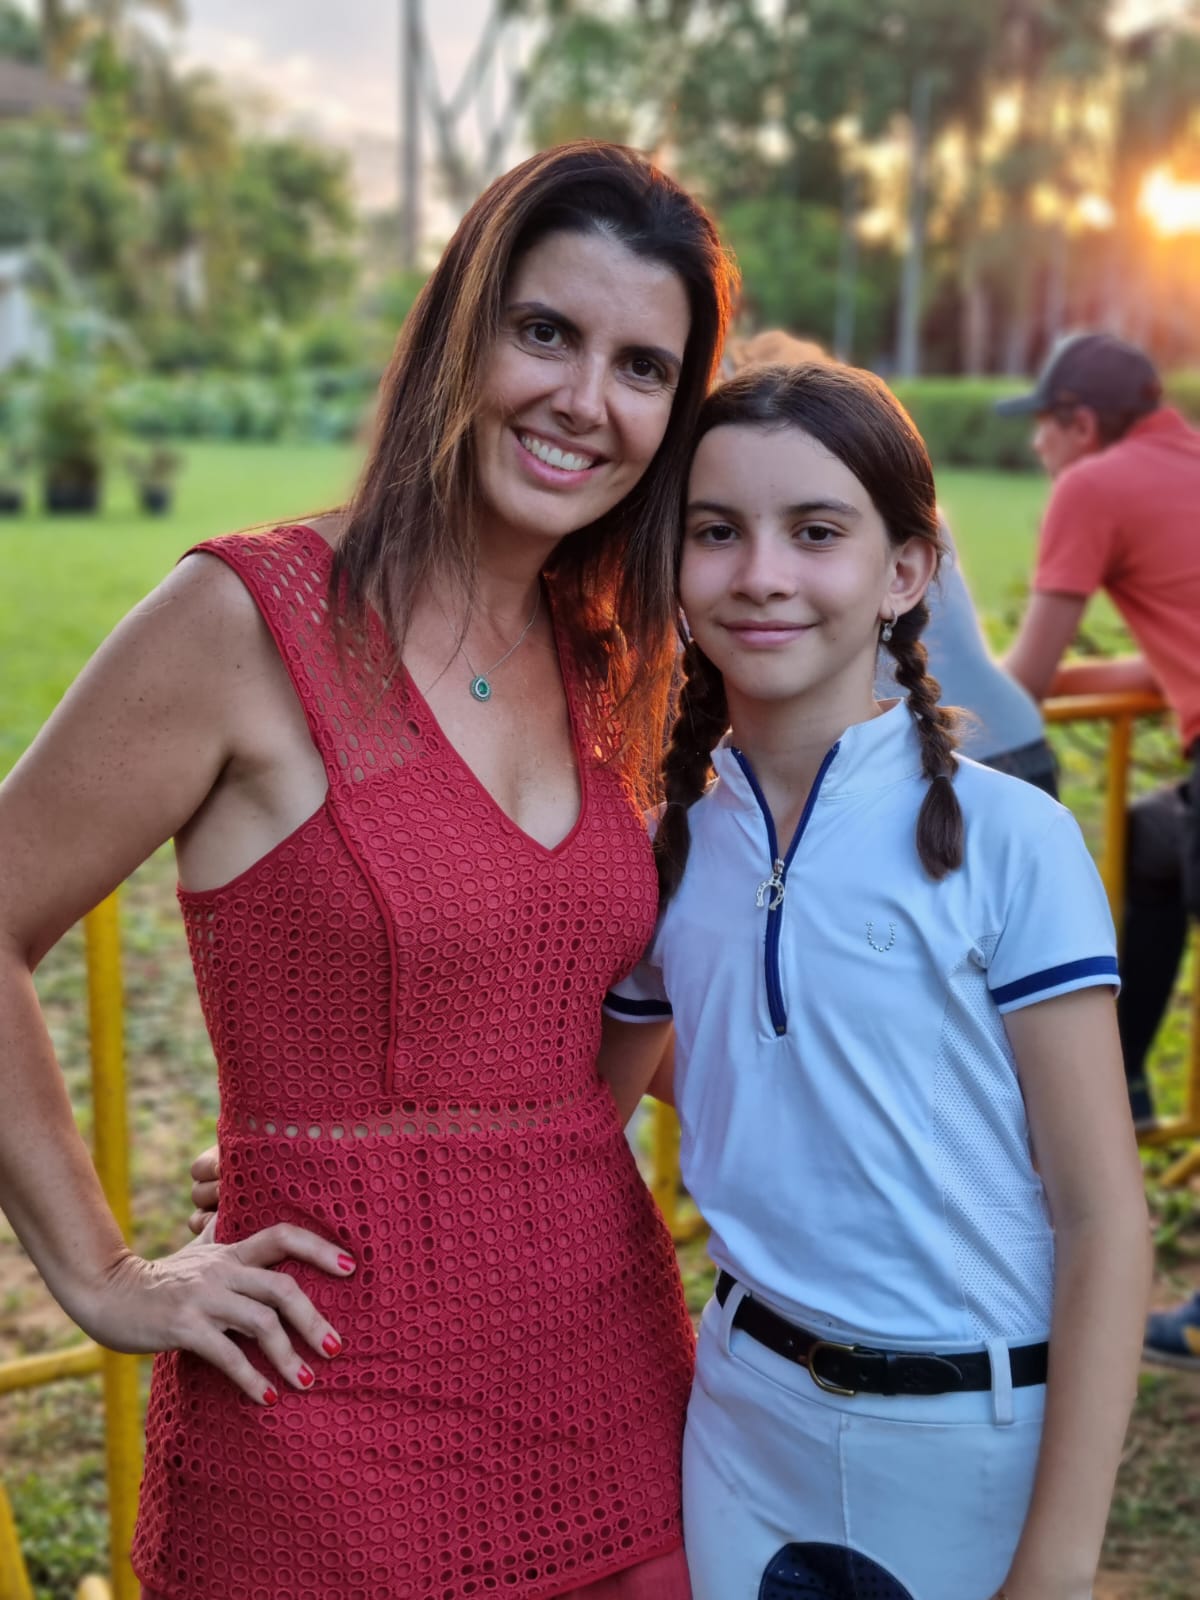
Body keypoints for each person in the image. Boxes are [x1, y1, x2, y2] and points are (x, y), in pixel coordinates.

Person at [0, 141, 736, 1600]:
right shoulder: (243, 618)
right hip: (323, 1419)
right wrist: (101, 1274)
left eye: (643, 367)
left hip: (615, 1385)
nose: (588, 401)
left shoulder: (625, 662)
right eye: (547, 333)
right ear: (462, 330)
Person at [598, 362, 1149, 1600]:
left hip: (970, 1437)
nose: (762, 574)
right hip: (741, 1420)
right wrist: (358, 1162)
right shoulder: (663, 845)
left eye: (818, 532)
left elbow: (1106, 1220)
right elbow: (579, 1105)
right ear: (674, 569)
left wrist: (1055, 1569)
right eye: (717, 531)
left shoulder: (1011, 840)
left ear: (905, 574)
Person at [998, 331, 1200, 1133]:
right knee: (1152, 842)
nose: (1036, 443)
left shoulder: (1094, 487)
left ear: (1080, 423)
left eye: (1043, 423)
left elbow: (1024, 685)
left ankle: (1105, 1115)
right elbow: (1167, 667)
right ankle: (1125, 1087)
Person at [730, 331, 1057, 794]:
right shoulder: (894, 508)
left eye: (818, 534)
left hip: (950, 753)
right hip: (999, 732)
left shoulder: (878, 523)